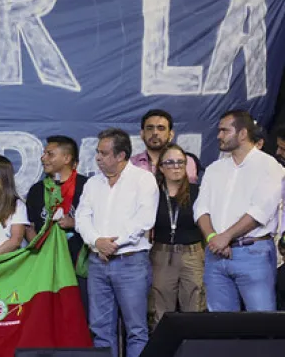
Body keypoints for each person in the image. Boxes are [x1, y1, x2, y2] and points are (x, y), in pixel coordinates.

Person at [75, 128, 158, 357]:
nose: (98, 158)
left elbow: (144, 220)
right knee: (100, 329)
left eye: (103, 153)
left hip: (130, 262)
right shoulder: (93, 183)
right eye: (97, 153)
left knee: (136, 330)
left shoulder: (143, 180)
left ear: (121, 156)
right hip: (98, 263)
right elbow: (82, 217)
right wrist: (96, 241)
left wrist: (112, 244)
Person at [197, 110, 285, 312]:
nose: (219, 135)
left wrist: (225, 237)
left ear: (243, 133)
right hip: (216, 255)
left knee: (261, 324)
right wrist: (213, 237)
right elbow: (201, 208)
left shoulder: (269, 166)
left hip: (253, 254)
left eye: (224, 130)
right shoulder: (214, 168)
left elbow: (260, 212)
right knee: (220, 327)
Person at [24, 136, 89, 311]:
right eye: (44, 153)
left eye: (50, 154)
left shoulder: (88, 186)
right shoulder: (37, 190)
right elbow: (29, 227)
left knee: (80, 314)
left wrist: (74, 223)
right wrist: (38, 252)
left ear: (67, 158)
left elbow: (100, 223)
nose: (43, 158)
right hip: (46, 266)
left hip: (79, 266)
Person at [148, 143, 205, 327]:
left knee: (195, 308)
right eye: (170, 162)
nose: (176, 167)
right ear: (161, 167)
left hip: (193, 254)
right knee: (160, 311)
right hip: (161, 254)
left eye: (181, 162)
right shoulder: (152, 194)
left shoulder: (198, 192)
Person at [132, 109, 199, 183]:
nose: (155, 132)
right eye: (150, 128)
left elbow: (188, 192)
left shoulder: (186, 162)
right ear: (142, 134)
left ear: (171, 135)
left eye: (161, 128)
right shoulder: (131, 164)